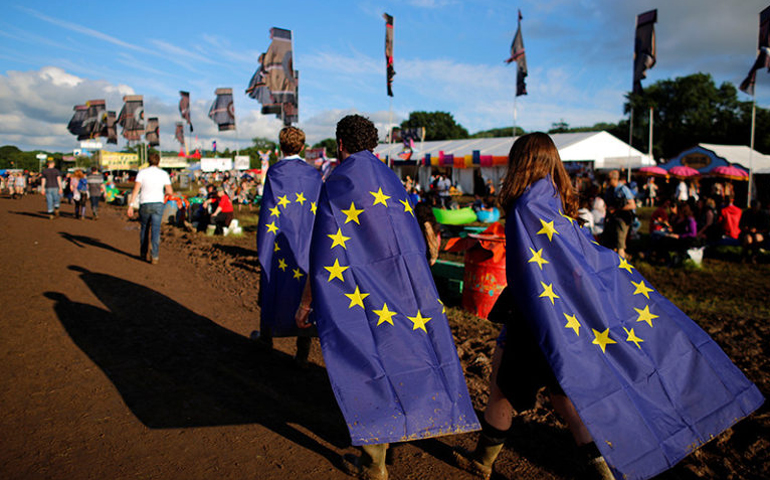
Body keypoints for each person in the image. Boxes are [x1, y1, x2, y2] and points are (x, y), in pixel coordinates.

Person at [454, 132, 763, 480]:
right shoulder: (556, 201)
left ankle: (482, 462)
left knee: (504, 387)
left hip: (536, 318)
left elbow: (534, 269)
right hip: (562, 318)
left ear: (522, 161)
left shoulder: (527, 205)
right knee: (563, 395)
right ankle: (601, 474)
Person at [296, 115, 479, 480]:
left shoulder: (339, 181)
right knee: (404, 355)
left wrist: (306, 303)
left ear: (340, 144)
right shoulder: (391, 180)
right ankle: (396, 439)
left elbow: (323, 251)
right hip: (405, 289)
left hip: (359, 292)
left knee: (363, 362)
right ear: (373, 144)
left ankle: (374, 464)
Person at [254, 126, 323, 368]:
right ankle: (302, 350)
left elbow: (267, 211)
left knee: (273, 278)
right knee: (303, 285)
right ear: (303, 147)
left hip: (278, 240)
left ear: (280, 146)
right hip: (305, 241)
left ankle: (266, 337)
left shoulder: (274, 172)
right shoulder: (314, 175)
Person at [127, 153, 172, 264]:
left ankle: (143, 253)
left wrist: (131, 205)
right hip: (158, 204)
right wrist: (165, 196)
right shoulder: (164, 174)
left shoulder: (142, 173)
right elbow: (169, 191)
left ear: (148, 161)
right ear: (159, 161)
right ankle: (155, 255)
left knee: (144, 229)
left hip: (145, 203)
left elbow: (136, 189)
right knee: (156, 231)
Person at [601, 170, 636, 259]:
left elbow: (632, 205)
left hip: (622, 219)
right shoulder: (609, 191)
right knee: (610, 242)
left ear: (615, 179)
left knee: (620, 244)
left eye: (609, 179)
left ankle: (622, 267)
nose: (607, 181)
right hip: (612, 219)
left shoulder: (623, 189)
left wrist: (617, 208)